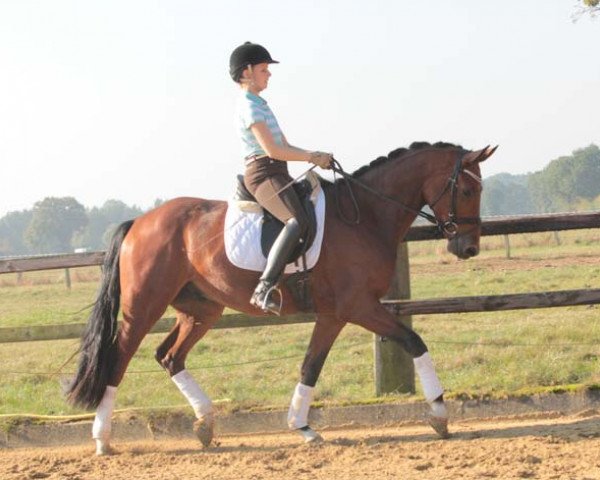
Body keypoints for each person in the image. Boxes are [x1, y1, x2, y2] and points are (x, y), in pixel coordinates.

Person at [230, 41, 333, 315]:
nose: (269, 74)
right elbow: (273, 150)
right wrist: (312, 156)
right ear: (247, 72)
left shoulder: (261, 104)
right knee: (295, 220)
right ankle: (263, 287)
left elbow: (285, 146)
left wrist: (316, 155)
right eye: (264, 69)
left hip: (277, 170)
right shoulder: (248, 105)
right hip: (262, 173)